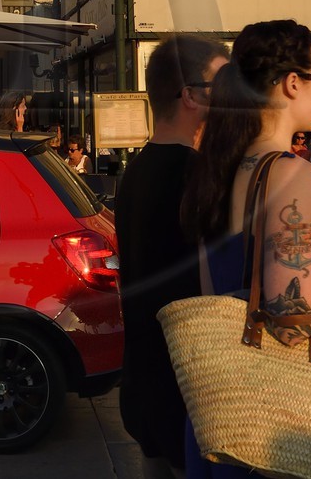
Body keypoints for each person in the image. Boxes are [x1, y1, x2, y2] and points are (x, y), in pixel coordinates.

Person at [179, 20, 311, 479]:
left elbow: (214, 298)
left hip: (222, 408)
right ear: (293, 83)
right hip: (275, 422)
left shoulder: (216, 168)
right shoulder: (292, 173)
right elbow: (293, 325)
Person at [115, 35, 229, 473]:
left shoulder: (136, 169)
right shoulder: (197, 175)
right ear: (191, 96)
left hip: (145, 375)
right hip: (186, 381)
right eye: (223, 86)